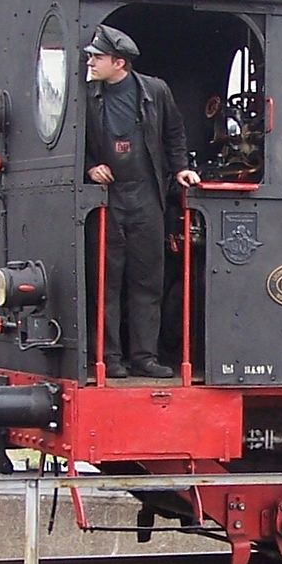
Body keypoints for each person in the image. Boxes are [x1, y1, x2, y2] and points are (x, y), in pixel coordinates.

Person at [84, 24, 200, 379]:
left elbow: (174, 132)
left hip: (147, 194)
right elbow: (72, 143)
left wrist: (180, 168)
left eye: (97, 57)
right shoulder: (86, 96)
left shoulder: (155, 90)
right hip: (108, 198)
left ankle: (144, 357)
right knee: (107, 281)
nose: (89, 62)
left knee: (147, 280)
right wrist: (90, 167)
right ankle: (108, 357)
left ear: (119, 63)